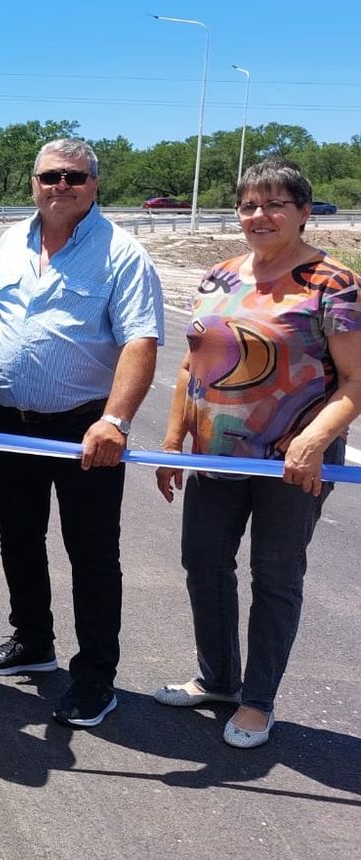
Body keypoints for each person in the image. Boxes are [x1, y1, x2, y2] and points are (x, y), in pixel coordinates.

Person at [154, 159, 361, 748]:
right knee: (204, 564)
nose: (259, 215)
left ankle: (257, 700)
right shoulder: (219, 276)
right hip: (215, 455)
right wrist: (174, 444)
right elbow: (193, 367)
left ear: (302, 211)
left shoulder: (333, 282)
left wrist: (315, 440)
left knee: (275, 577)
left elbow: (356, 381)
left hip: (291, 466)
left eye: (274, 204)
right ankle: (218, 678)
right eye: (248, 204)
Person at [0, 138, 164, 728]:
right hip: (9, 422)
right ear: (33, 182)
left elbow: (140, 342)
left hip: (87, 430)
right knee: (18, 538)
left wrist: (115, 421)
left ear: (94, 184)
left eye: (74, 177)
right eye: (50, 175)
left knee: (92, 555)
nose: (61, 186)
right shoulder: (10, 241)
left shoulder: (122, 255)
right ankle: (33, 640)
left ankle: (95, 678)